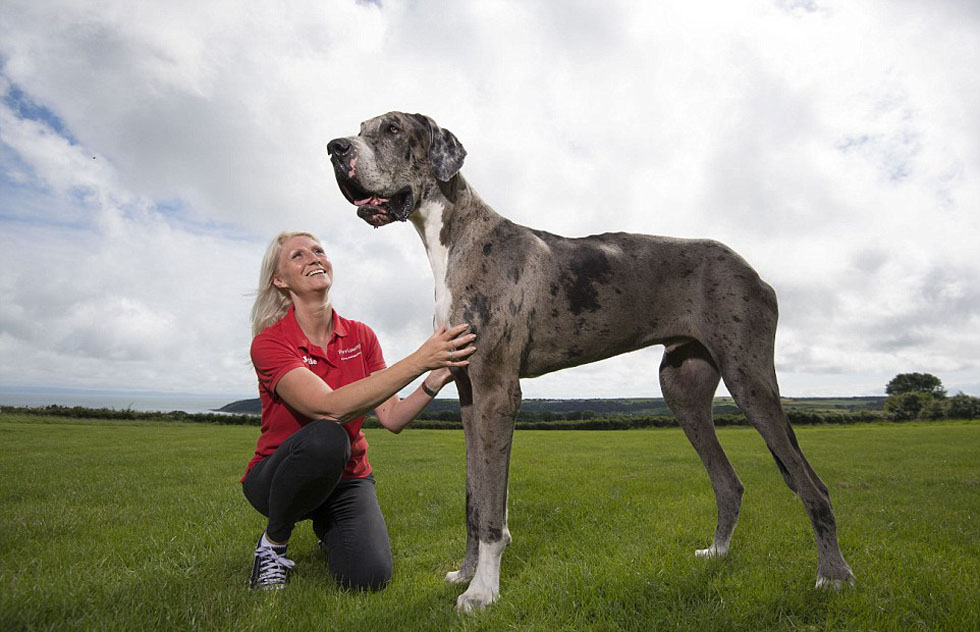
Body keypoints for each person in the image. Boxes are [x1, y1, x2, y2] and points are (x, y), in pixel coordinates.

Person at [242, 230, 476, 591]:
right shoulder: (270, 343)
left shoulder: (361, 336)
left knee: (368, 578)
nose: (315, 258)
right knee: (328, 436)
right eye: (298, 256)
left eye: (319, 251)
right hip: (276, 479)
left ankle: (329, 528)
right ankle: (273, 544)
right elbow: (327, 408)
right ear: (279, 280)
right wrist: (421, 357)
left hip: (347, 479)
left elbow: (392, 418)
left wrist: (435, 376)